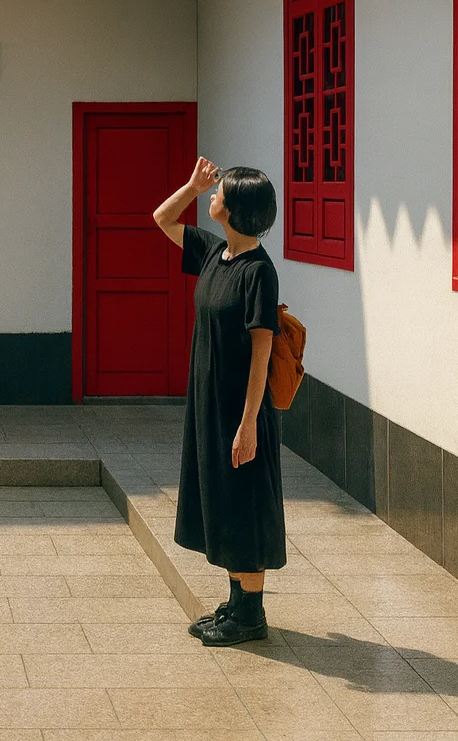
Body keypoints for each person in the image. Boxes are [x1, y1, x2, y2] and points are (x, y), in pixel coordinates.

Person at [152, 159, 284, 646]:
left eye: (217, 193)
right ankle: (235, 602)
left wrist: (249, 423)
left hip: (240, 408)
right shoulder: (215, 253)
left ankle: (251, 614)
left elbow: (262, 350)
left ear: (235, 208)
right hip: (210, 403)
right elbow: (162, 219)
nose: (212, 197)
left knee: (245, 503)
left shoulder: (258, 272)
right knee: (223, 501)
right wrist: (190, 185)